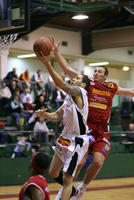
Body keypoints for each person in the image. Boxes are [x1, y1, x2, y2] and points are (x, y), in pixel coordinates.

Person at [48, 36, 134, 200]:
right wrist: (57, 52)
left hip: (102, 132)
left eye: (100, 71)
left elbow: (130, 92)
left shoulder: (111, 87)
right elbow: (67, 69)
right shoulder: (88, 84)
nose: (96, 73)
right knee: (79, 163)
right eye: (95, 70)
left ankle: (83, 187)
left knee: (98, 162)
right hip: (86, 130)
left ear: (106, 76)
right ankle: (67, 189)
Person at [34, 50, 94, 200]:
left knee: (67, 179)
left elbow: (61, 84)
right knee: (53, 173)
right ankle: (72, 191)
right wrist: (45, 114)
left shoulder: (80, 92)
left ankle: (68, 192)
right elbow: (57, 116)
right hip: (65, 137)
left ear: (83, 84)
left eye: (78, 78)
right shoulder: (69, 97)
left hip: (77, 141)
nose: (74, 78)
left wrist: (48, 64)